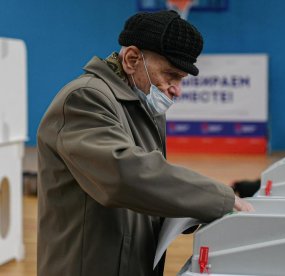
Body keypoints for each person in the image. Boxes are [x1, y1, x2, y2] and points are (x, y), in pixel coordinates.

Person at [37, 10, 253, 276]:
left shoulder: (146, 108)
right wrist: (218, 198)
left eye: (181, 80)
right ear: (131, 59)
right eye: (171, 75)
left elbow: (150, 186)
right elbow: (123, 176)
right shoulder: (84, 99)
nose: (177, 89)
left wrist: (190, 212)